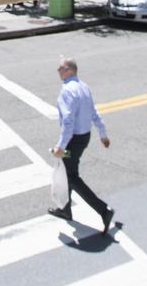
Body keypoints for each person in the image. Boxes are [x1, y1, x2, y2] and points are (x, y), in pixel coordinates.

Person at [49, 57, 114, 235]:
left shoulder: (67, 91)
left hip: (72, 141)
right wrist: (102, 134)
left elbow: (68, 122)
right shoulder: (84, 87)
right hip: (84, 138)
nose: (58, 71)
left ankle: (103, 210)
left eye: (60, 68)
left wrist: (61, 146)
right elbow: (94, 112)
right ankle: (65, 209)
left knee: (71, 177)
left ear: (70, 70)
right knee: (68, 172)